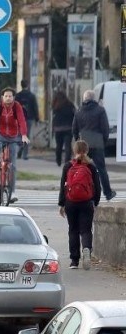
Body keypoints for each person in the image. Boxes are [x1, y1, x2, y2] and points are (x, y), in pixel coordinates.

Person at [59, 139, 102, 269]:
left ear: (74, 151)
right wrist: (95, 202)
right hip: (86, 202)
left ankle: (74, 261)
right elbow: (97, 187)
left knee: (73, 230)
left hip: (71, 202)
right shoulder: (91, 166)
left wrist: (62, 204)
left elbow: (63, 186)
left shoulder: (68, 166)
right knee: (86, 230)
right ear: (87, 151)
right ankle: (87, 249)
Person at [73, 89, 116, 201]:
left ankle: (83, 191)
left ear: (84, 99)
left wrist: (78, 141)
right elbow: (105, 128)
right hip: (97, 143)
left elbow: (74, 129)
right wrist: (103, 141)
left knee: (82, 168)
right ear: (94, 99)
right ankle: (108, 193)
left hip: (83, 144)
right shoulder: (100, 111)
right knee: (101, 169)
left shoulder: (79, 111)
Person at [0, 87, 30, 204]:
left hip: (13, 137)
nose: (8, 98)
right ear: (2, 97)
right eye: (6, 96)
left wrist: (24, 135)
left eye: (10, 96)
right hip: (0, 135)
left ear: (13, 97)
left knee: (13, 165)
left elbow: (21, 120)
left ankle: (13, 192)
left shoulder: (17, 106)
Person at [15, 80, 39, 160]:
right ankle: (25, 155)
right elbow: (35, 107)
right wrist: (37, 118)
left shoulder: (17, 96)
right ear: (27, 85)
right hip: (29, 118)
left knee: (19, 135)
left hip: (20, 118)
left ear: (21, 85)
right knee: (26, 135)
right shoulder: (31, 96)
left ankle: (20, 149)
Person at [51, 90, 76, 166]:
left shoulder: (55, 106)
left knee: (59, 145)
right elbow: (74, 115)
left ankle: (58, 160)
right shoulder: (70, 104)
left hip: (58, 128)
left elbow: (54, 117)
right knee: (67, 145)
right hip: (68, 128)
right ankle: (67, 161)